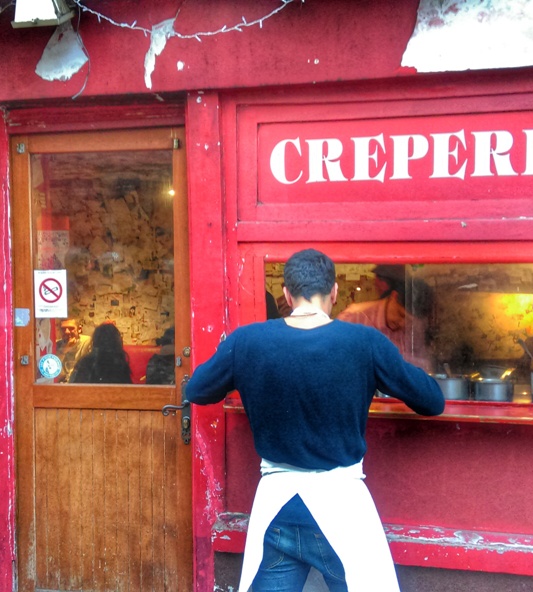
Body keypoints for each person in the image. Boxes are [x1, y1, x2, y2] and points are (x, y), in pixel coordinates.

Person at [185, 249, 445, 592]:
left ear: (287, 294)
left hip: (278, 507)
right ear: (334, 292)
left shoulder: (247, 341)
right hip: (342, 505)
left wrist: (235, 358)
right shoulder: (364, 342)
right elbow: (432, 401)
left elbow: (198, 389)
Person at [337, 264, 434, 371]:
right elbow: (337, 360)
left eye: (409, 321)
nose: (402, 323)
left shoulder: (417, 327)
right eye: (401, 315)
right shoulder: (354, 318)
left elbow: (424, 365)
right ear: (394, 296)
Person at [56, 318, 92, 383]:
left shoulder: (88, 342)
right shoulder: (56, 345)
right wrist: (64, 350)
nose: (67, 332)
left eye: (71, 328)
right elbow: (54, 371)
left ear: (79, 329)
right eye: (63, 329)